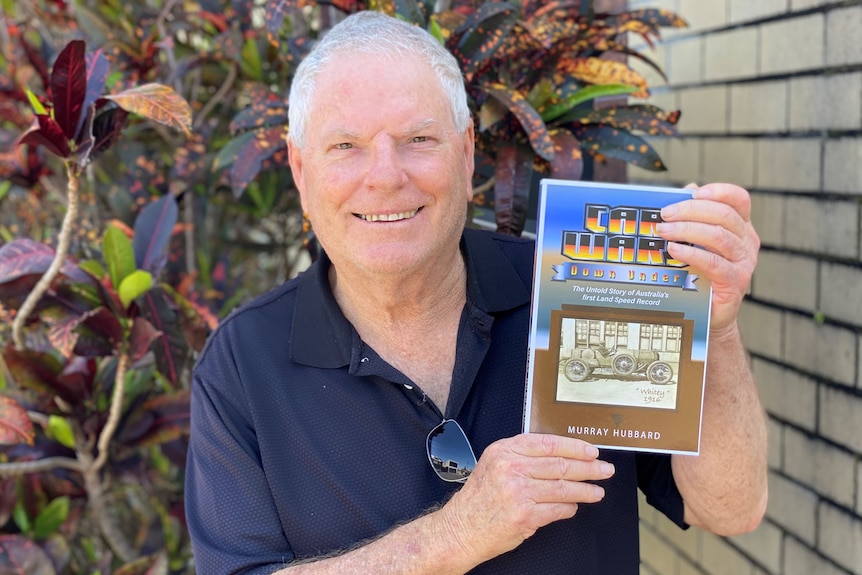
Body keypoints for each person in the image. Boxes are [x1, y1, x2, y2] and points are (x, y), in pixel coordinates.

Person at [185, 11, 767, 575]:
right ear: (300, 169)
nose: (386, 176)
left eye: (418, 138)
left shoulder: (580, 289)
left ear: (465, 155)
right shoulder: (242, 362)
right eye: (346, 146)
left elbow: (729, 509)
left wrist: (715, 329)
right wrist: (453, 535)